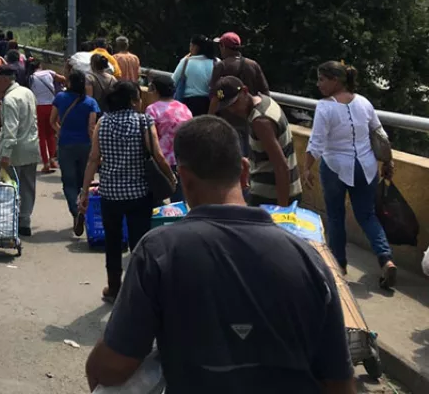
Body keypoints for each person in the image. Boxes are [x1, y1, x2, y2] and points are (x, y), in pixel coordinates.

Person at [86, 116, 356, 393]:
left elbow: (113, 367)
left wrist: (94, 365)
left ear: (185, 179)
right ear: (244, 171)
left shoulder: (158, 252)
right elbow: (340, 382)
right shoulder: (309, 259)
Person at [303, 61, 397, 289]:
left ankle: (339, 266)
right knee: (367, 215)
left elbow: (316, 142)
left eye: (322, 79)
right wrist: (388, 160)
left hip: (335, 166)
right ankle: (386, 259)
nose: (319, 84)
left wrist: (306, 168)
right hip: (366, 167)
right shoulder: (363, 102)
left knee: (335, 217)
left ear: (335, 80)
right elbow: (380, 133)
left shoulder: (325, 107)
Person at [80, 81, 175, 302]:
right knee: (139, 243)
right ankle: (140, 290)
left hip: (110, 194)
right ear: (133, 100)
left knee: (113, 243)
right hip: (139, 194)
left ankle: (113, 288)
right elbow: (158, 155)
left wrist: (84, 191)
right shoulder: (143, 121)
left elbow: (94, 159)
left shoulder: (103, 123)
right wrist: (170, 177)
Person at [213, 76, 300, 207]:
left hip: (271, 197)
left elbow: (281, 166)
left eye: (235, 103)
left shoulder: (260, 121)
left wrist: (282, 210)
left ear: (244, 91)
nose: (233, 110)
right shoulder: (264, 101)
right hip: (287, 189)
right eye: (228, 107)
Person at [0, 65, 41, 236]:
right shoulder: (27, 92)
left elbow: (10, 128)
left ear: (5, 79)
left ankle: (12, 220)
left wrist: (5, 154)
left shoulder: (10, 99)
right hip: (32, 145)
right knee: (28, 185)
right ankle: (25, 220)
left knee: (11, 186)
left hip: (16, 150)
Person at [51, 70, 100, 234]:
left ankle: (76, 211)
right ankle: (82, 211)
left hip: (65, 144)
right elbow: (91, 127)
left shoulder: (60, 98)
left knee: (69, 182)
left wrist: (61, 131)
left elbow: (52, 121)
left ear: (70, 83)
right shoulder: (91, 102)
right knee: (83, 183)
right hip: (85, 146)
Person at [145, 75, 193, 201]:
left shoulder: (152, 109)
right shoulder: (184, 108)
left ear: (155, 89)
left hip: (161, 161)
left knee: (157, 201)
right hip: (182, 158)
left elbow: (149, 139)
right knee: (178, 202)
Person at [208, 31, 270, 114]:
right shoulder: (253, 64)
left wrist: (222, 99)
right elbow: (265, 91)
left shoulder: (221, 66)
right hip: (250, 113)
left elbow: (215, 94)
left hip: (228, 114)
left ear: (223, 47)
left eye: (220, 45)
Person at [28, 61, 65, 174]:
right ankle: (53, 160)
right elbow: (63, 79)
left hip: (39, 107)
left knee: (42, 136)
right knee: (51, 134)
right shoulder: (49, 72)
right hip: (52, 106)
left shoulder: (31, 77)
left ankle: (46, 163)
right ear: (40, 66)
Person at [172, 34, 215, 116]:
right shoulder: (216, 62)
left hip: (188, 104)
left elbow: (173, 81)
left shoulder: (186, 62)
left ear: (195, 47)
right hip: (209, 105)